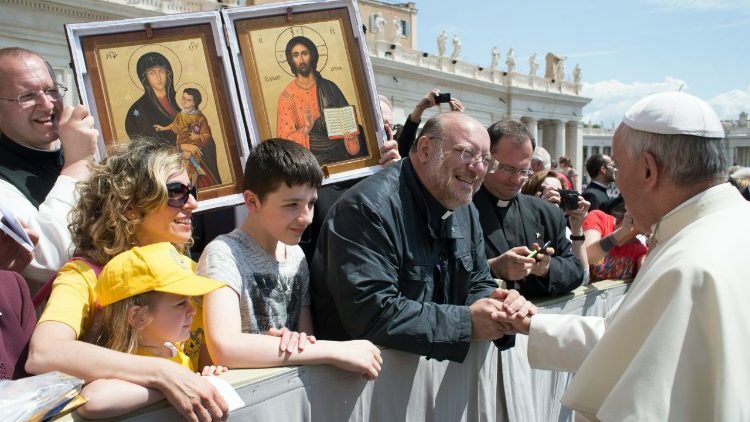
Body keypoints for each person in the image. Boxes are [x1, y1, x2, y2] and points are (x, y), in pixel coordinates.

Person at [500, 91, 750, 421]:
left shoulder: (687, 266)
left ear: (648, 170)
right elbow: (622, 341)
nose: (616, 182)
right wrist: (534, 324)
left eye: (617, 168)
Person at [26, 137, 228, 421]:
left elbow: (218, 357)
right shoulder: (83, 276)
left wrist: (284, 340)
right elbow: (44, 353)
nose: (192, 203)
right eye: (176, 192)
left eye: (191, 191)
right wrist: (163, 373)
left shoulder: (191, 270)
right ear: (129, 207)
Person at [311, 112, 535, 362]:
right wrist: (466, 323)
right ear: (426, 149)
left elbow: (476, 282)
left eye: (485, 159)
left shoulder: (466, 208)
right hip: (360, 388)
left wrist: (500, 307)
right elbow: (371, 314)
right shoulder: (366, 209)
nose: (479, 169)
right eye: (467, 154)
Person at [197, 139, 383, 379]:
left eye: (311, 203)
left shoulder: (295, 255)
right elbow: (224, 346)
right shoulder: (222, 254)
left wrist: (302, 343)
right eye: (292, 205)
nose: (306, 218)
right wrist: (335, 350)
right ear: (252, 201)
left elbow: (306, 339)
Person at [77, 242, 226, 419]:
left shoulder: (172, 349)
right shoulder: (128, 363)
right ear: (138, 317)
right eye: (181, 303)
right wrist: (172, 386)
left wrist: (205, 380)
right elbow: (92, 400)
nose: (192, 310)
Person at [0, 47, 98, 290]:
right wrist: (76, 164)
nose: (47, 104)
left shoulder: (89, 145)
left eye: (51, 90)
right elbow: (50, 258)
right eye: (27, 96)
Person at [474, 120, 585, 298]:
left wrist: (546, 268)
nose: (517, 179)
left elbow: (576, 272)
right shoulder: (458, 210)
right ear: (486, 160)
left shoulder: (547, 213)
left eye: (524, 171)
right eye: (508, 169)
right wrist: (493, 267)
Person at [276, 36, 366, 165]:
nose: (301, 59)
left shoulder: (330, 87)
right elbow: (283, 143)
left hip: (342, 156)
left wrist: (350, 137)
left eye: (304, 54)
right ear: (291, 61)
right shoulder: (287, 97)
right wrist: (307, 129)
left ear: (312, 56)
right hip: (310, 163)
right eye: (295, 55)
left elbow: (349, 124)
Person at [154, 87, 221, 187]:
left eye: (188, 100)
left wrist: (198, 137)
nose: (184, 102)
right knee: (184, 162)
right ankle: (187, 183)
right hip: (181, 144)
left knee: (194, 159)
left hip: (194, 145)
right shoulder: (180, 115)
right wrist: (163, 128)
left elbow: (207, 134)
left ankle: (193, 185)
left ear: (194, 103)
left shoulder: (200, 117)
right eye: (183, 98)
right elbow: (174, 126)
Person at [582, 196, 647, 282]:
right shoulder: (599, 218)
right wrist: (623, 231)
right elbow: (587, 257)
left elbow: (643, 283)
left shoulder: (640, 250)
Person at [125, 52, 180, 144]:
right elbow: (142, 141)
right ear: (145, 78)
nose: (159, 77)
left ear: (168, 74)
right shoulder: (138, 109)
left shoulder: (183, 98)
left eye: (161, 71)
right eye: (152, 73)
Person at [397, 88, 465, 157]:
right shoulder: (412, 160)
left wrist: (459, 120)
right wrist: (420, 108)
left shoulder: (446, 160)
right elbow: (406, 142)